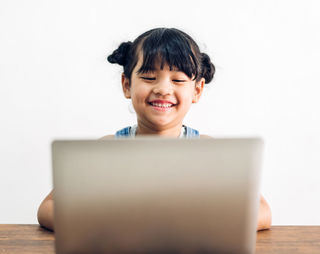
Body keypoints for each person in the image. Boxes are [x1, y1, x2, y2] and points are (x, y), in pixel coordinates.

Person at [37, 27, 272, 232]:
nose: (163, 89)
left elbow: (262, 211)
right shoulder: (108, 149)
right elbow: (48, 208)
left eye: (178, 80)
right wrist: (104, 221)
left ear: (197, 90)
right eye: (149, 77)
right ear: (127, 85)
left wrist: (205, 222)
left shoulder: (209, 151)